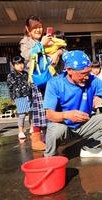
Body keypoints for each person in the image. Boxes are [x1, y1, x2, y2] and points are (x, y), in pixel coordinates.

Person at [43, 50, 102, 157]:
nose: (87, 77)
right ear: (70, 70)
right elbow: (49, 114)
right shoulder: (54, 83)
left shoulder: (92, 80)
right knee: (56, 129)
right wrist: (66, 115)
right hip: (65, 128)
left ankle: (90, 148)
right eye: (83, 73)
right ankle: (49, 157)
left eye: (88, 72)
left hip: (85, 125)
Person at [20, 15, 63, 151]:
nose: (38, 30)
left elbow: (62, 46)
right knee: (39, 110)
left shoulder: (48, 39)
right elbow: (26, 55)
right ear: (28, 29)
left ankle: (50, 137)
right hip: (37, 80)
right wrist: (41, 45)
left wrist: (58, 52)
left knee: (52, 108)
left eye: (40, 27)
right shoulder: (25, 42)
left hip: (50, 79)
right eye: (35, 28)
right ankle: (37, 139)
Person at [7, 56, 32, 140]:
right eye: (17, 64)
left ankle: (32, 128)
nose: (20, 66)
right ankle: (21, 131)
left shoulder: (26, 73)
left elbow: (30, 83)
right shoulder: (11, 75)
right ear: (13, 65)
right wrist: (12, 97)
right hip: (19, 96)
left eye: (21, 63)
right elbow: (10, 87)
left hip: (28, 95)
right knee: (22, 115)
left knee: (31, 113)